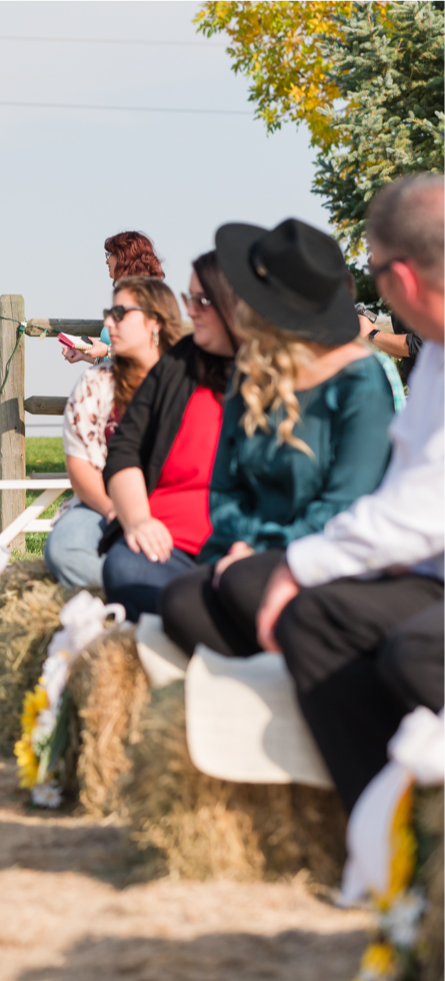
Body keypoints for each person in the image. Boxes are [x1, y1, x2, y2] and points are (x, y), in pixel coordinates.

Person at [255, 175, 444, 812]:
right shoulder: (435, 356)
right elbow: (403, 486)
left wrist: (299, 564)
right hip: (428, 564)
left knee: (413, 653)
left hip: (428, 554)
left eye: (374, 275)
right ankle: (379, 824)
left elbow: (424, 507)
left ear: (402, 281)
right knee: (316, 618)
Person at [158, 217, 396, 656]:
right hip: (241, 551)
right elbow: (224, 490)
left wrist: (262, 548)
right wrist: (242, 542)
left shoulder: (360, 381)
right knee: (177, 602)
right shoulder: (252, 371)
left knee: (237, 587)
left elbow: (344, 506)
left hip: (322, 557)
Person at [92, 258, 238, 612]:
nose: (191, 311)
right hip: (164, 544)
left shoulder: (272, 374)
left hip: (240, 546)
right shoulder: (178, 363)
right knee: (125, 569)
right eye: (189, 299)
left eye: (202, 302)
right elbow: (124, 449)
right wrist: (138, 519)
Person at [43, 276, 178, 591]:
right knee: (65, 549)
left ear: (155, 322)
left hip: (170, 502)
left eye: (120, 313)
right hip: (102, 506)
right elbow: (80, 468)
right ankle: (147, 593)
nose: (107, 322)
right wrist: (117, 512)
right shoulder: (94, 384)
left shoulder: (186, 382)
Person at [60, 231, 166, 364]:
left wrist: (107, 350)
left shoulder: (144, 298)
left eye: (110, 255)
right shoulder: (130, 297)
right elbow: (118, 361)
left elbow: (147, 348)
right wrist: (85, 355)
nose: (106, 261)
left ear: (124, 257)